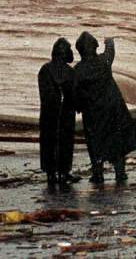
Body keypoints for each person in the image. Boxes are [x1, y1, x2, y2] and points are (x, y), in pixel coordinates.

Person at [73, 33, 136, 185]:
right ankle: (120, 173)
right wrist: (109, 40)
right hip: (112, 108)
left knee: (95, 144)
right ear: (95, 47)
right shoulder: (103, 61)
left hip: (92, 113)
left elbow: (75, 93)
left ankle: (98, 174)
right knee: (117, 141)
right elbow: (110, 51)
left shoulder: (78, 70)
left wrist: (78, 107)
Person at [38, 38, 78, 187]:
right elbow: (74, 95)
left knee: (50, 142)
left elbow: (45, 95)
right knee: (65, 142)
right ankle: (63, 172)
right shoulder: (69, 72)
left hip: (50, 114)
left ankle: (52, 174)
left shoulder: (45, 69)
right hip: (65, 114)